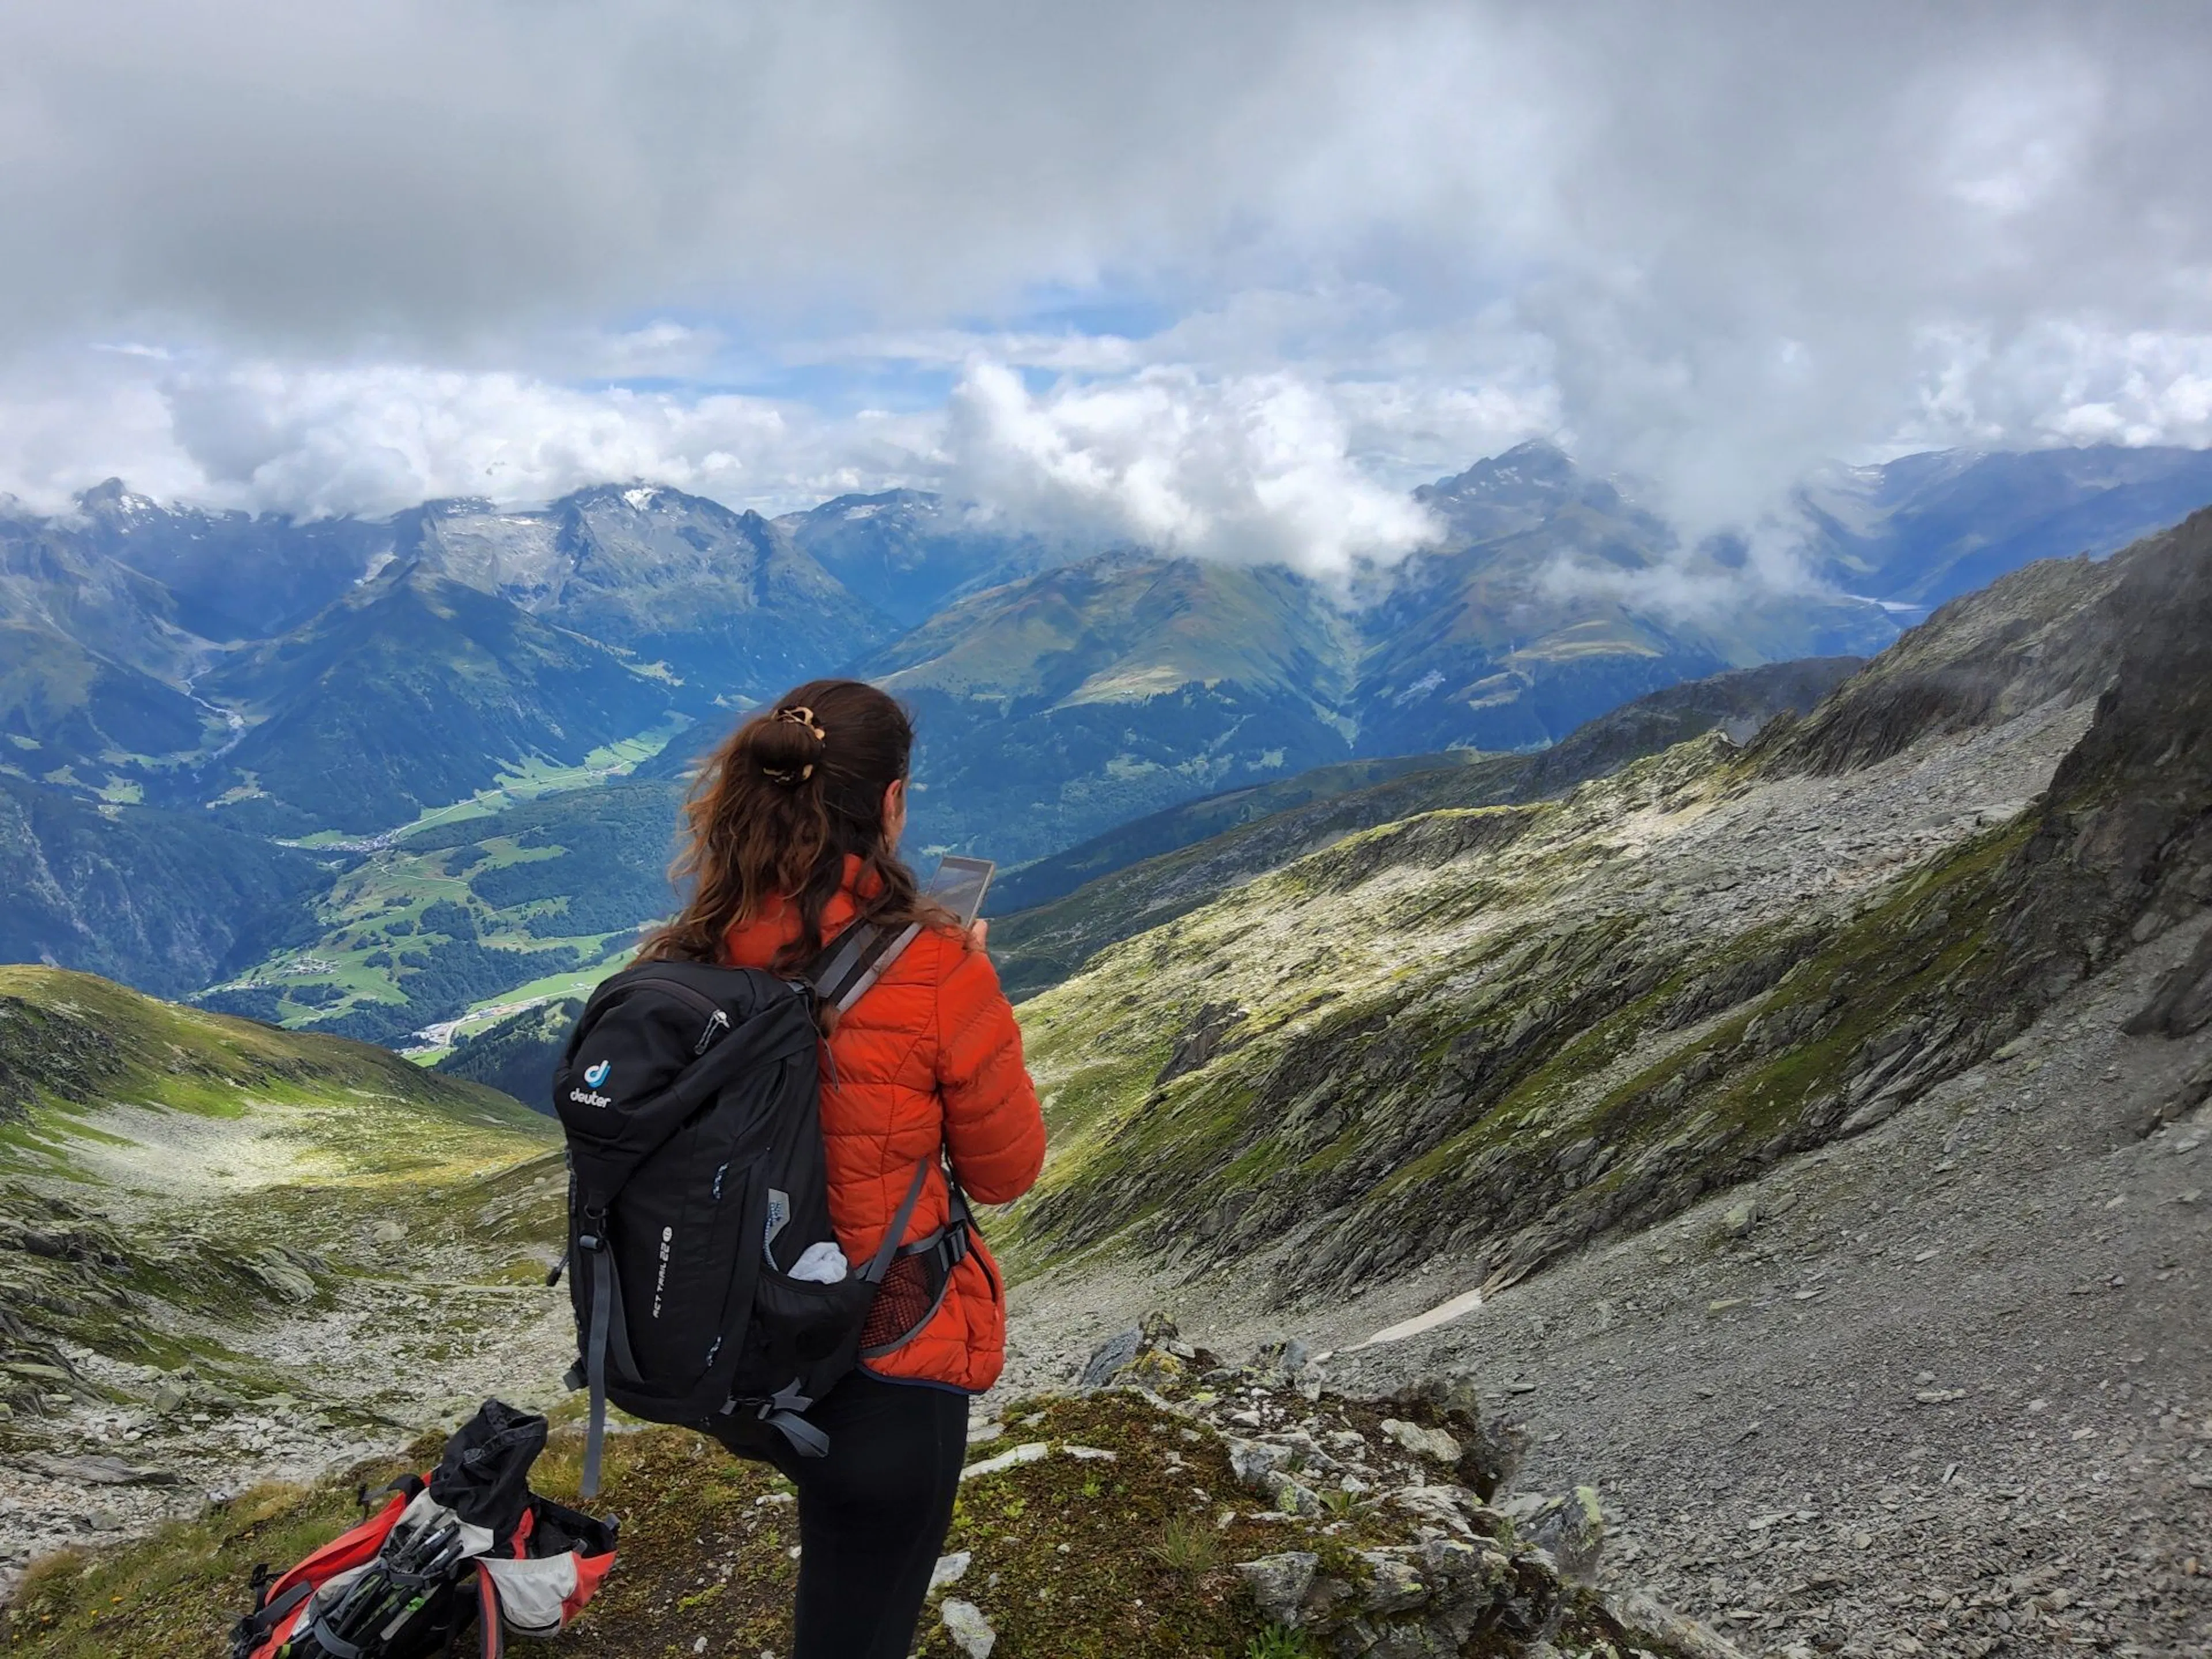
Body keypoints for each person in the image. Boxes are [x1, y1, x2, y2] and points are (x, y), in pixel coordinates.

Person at [638, 677, 1046, 1659]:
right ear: (892, 806)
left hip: (739, 1353)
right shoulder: (939, 965)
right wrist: (967, 991)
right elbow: (1005, 1171)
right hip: (883, 1355)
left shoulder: (691, 948)